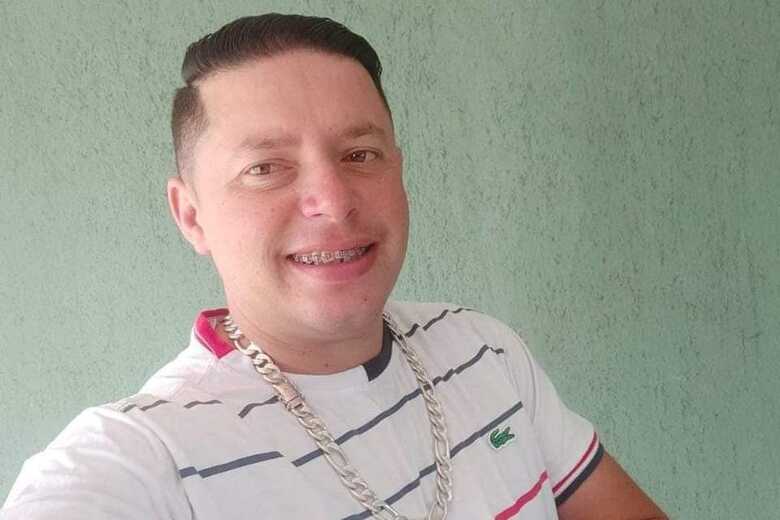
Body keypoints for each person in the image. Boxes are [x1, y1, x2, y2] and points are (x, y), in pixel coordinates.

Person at [1, 14, 667, 520]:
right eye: (266, 168)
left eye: (359, 155)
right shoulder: (143, 458)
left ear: (399, 172)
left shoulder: (485, 350)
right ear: (192, 216)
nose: (333, 199)